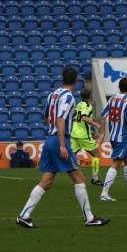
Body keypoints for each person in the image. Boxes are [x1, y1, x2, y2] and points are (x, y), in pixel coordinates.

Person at [16, 67, 110, 228]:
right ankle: (89, 218)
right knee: (80, 179)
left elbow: (46, 117)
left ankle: (24, 215)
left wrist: (56, 132)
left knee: (46, 181)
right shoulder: (68, 97)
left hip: (50, 140)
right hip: (60, 141)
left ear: (61, 79)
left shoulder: (53, 94)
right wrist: (62, 144)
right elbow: (60, 119)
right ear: (76, 81)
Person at [97, 77, 127, 201]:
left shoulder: (112, 98)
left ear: (119, 87)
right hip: (121, 137)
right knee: (116, 164)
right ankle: (104, 193)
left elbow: (102, 116)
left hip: (114, 136)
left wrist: (102, 133)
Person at [71, 88, 103, 186]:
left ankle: (51, 172)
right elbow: (84, 118)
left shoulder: (79, 105)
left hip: (74, 133)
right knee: (96, 155)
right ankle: (95, 178)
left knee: (71, 157)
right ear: (90, 97)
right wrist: (96, 124)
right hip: (83, 135)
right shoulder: (87, 105)